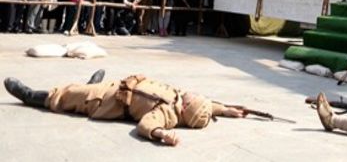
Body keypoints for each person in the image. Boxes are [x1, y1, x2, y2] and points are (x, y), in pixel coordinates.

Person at [4, 71, 245, 146]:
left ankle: (31, 96)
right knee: (85, 88)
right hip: (116, 88)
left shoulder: (167, 114)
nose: (195, 94)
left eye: (195, 98)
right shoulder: (180, 98)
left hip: (102, 102)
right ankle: (89, 84)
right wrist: (224, 109)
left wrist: (162, 134)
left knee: (67, 95)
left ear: (186, 109)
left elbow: (145, 125)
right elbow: (206, 107)